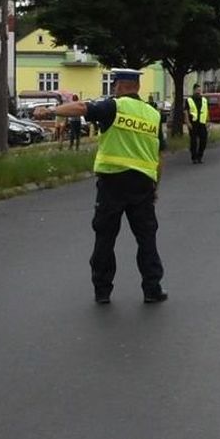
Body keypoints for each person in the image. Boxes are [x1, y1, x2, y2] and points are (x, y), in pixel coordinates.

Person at [34, 69, 167, 304]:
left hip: (112, 183)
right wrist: (155, 185)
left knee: (105, 238)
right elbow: (158, 155)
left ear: (119, 85)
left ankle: (102, 291)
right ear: (137, 86)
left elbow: (82, 108)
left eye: (114, 84)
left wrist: (51, 110)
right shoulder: (152, 114)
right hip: (143, 185)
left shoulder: (114, 106)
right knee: (147, 239)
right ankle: (152, 289)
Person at [185, 83, 209, 164]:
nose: (199, 92)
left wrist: (208, 121)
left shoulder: (204, 100)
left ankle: (200, 156)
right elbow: (186, 112)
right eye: (197, 90)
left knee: (204, 140)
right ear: (194, 90)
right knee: (193, 141)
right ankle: (194, 157)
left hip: (202, 123)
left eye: (200, 90)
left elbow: (206, 111)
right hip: (193, 123)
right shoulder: (189, 100)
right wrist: (187, 122)